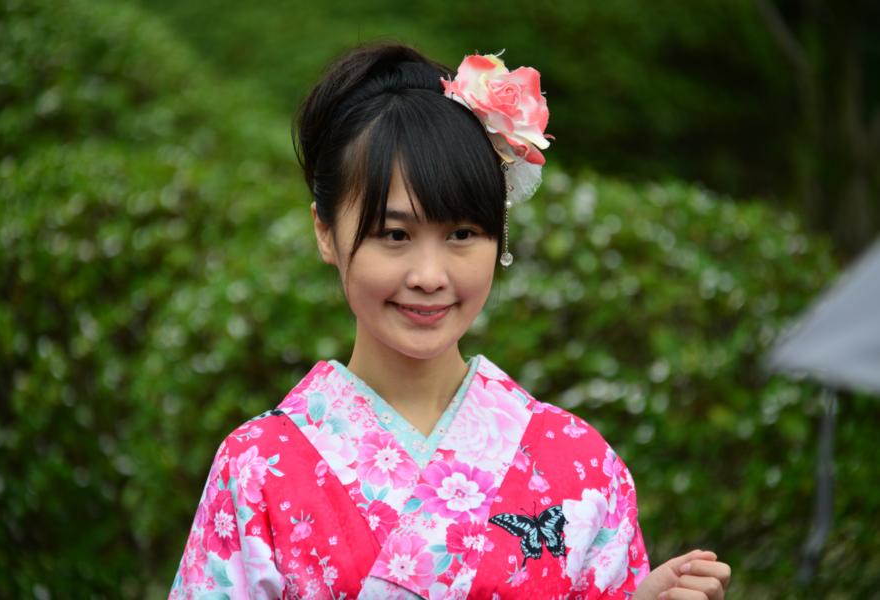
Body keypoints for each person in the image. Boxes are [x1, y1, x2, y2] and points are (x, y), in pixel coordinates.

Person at [169, 44, 731, 599]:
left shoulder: (581, 465)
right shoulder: (258, 466)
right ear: (325, 231)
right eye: (395, 235)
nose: (430, 276)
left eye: (462, 234)